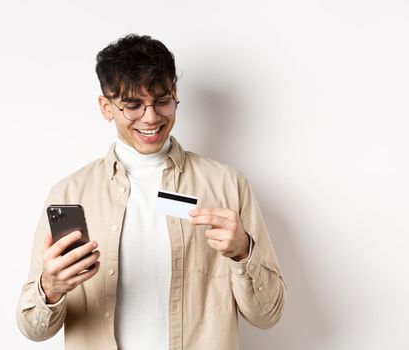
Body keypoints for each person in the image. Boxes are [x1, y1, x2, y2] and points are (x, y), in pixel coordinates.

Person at [16, 34, 286, 350]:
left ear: (175, 94)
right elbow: (33, 330)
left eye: (162, 100)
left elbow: (269, 315)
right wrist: (51, 287)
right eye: (132, 105)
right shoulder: (70, 193)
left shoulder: (227, 184)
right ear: (106, 107)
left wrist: (244, 251)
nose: (151, 117)